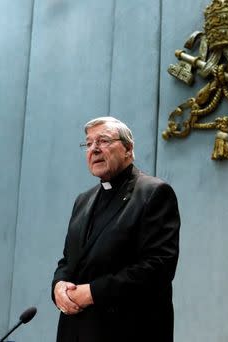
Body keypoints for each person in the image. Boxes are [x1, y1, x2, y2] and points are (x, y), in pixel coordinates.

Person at [51, 116, 180, 342]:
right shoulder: (83, 200)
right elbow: (68, 260)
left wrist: (93, 292)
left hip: (128, 330)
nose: (94, 149)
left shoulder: (153, 193)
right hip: (76, 331)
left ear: (128, 149)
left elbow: (158, 267)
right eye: (89, 143)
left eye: (103, 141)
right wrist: (59, 286)